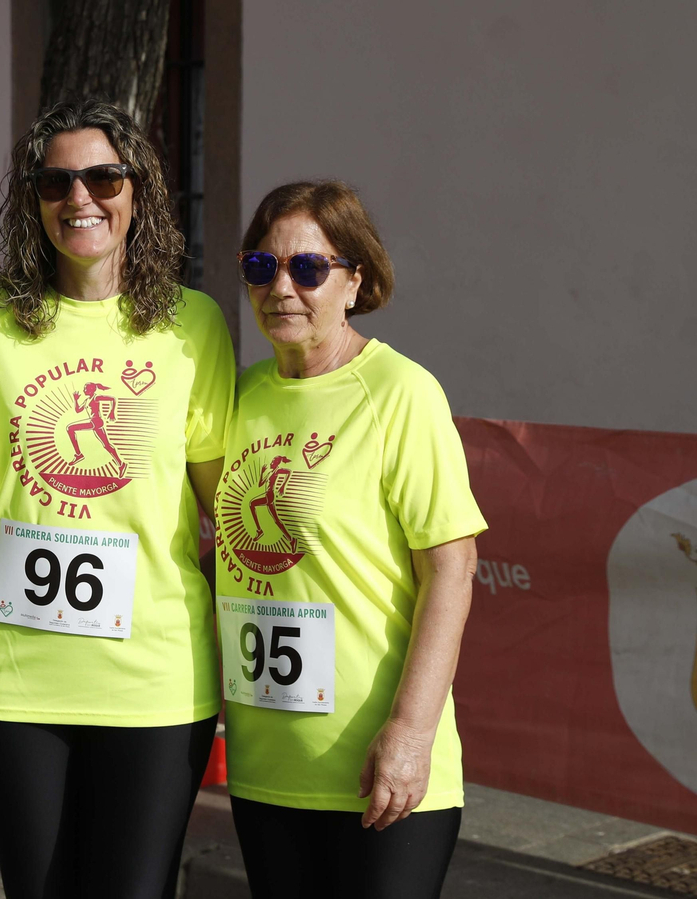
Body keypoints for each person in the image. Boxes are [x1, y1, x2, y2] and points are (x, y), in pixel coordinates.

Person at [0, 99, 235, 899]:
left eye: (102, 177)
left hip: (155, 676)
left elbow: (223, 501)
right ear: (34, 198)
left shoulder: (193, 326)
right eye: (56, 181)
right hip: (17, 676)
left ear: (140, 192)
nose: (80, 198)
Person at [213, 180, 485, 899]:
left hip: (378, 768)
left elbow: (453, 571)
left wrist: (411, 731)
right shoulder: (239, 397)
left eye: (308, 268)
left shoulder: (400, 391)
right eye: (261, 266)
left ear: (354, 278)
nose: (282, 287)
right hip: (269, 764)